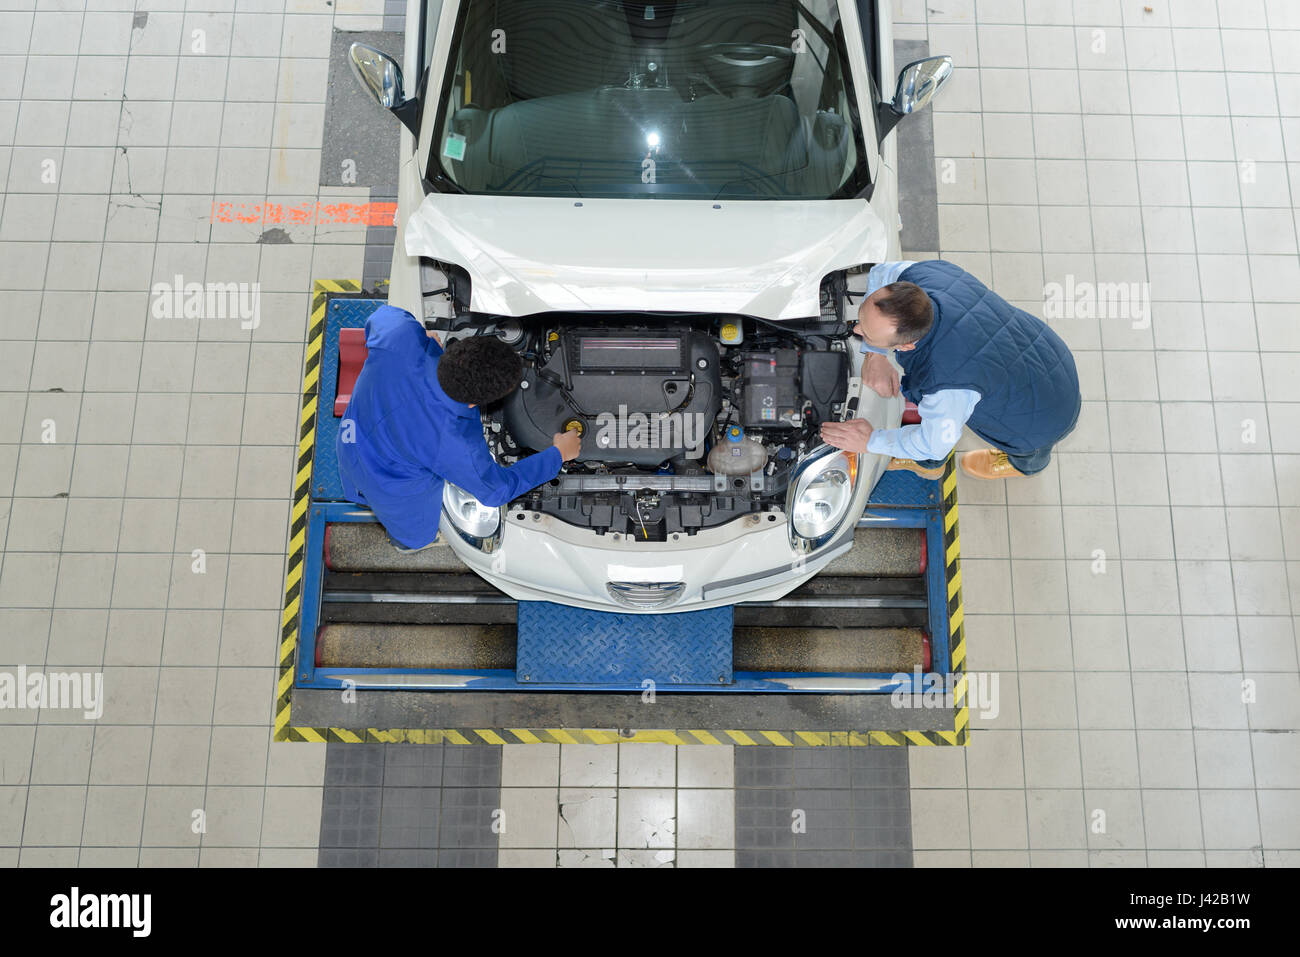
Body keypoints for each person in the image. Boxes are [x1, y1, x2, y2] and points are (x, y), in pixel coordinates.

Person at [336, 305, 581, 551]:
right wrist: (558, 454)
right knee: (416, 536)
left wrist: (421, 338)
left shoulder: (399, 335)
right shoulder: (454, 443)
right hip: (388, 478)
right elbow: (497, 490)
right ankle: (403, 543)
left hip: (351, 434)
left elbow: (380, 316)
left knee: (355, 472)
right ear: (477, 403)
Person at [820, 259, 1080, 480]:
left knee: (1030, 448)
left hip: (1044, 417)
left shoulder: (945, 383)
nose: (856, 331)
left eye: (867, 334)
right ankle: (932, 465)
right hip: (1047, 353)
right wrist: (874, 353)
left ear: (908, 346)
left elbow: (933, 444)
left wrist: (870, 441)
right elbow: (881, 273)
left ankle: (1022, 465)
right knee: (943, 420)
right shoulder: (927, 273)